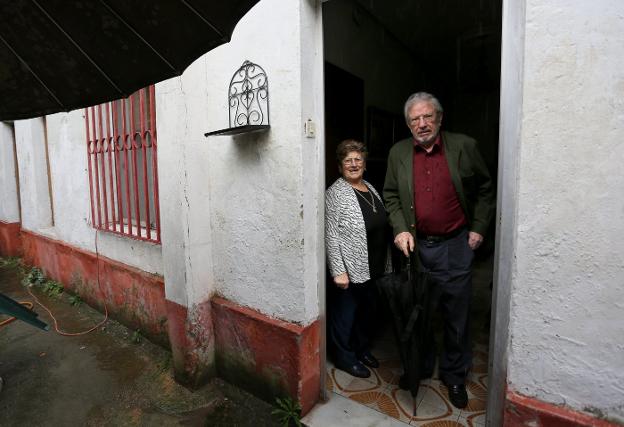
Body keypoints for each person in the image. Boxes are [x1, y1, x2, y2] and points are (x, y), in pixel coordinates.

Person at [383, 92, 495, 409]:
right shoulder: (398, 153)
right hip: (418, 250)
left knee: (456, 317)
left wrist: (479, 228)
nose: (422, 124)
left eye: (427, 116)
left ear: (439, 118)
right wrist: (401, 227)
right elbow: (391, 195)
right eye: (415, 119)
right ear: (408, 124)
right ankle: (420, 367)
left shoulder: (465, 147)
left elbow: (487, 189)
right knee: (419, 316)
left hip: (457, 246)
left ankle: (455, 375)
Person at [325, 139, 388, 378]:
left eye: (358, 160)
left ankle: (361, 350)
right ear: (340, 166)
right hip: (350, 269)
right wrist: (338, 270)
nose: (353, 164)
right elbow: (330, 234)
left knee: (367, 313)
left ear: (364, 163)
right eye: (348, 160)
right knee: (346, 315)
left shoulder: (370, 188)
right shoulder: (335, 193)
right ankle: (344, 357)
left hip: (374, 266)